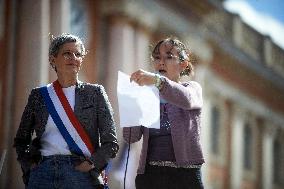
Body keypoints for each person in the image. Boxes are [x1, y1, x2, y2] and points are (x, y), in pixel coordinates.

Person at [14, 33, 119, 189]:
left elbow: (111, 143)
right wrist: (30, 165)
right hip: (43, 171)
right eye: (67, 53)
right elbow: (21, 140)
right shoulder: (39, 95)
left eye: (77, 54)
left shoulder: (95, 93)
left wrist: (91, 164)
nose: (73, 57)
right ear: (53, 59)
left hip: (80, 173)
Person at [123, 37, 204, 189]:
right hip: (151, 175)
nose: (161, 62)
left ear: (183, 64)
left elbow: (186, 99)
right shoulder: (147, 95)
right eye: (157, 57)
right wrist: (131, 106)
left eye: (168, 57)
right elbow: (131, 137)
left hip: (185, 175)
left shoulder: (193, 88)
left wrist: (158, 81)